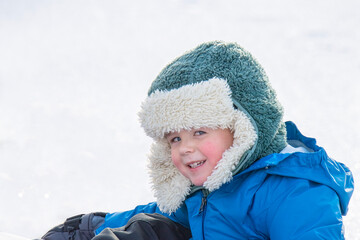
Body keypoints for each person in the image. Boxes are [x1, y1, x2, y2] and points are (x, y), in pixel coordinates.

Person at [43, 41, 354, 240]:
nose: (185, 147)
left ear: (243, 128)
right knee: (147, 229)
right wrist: (92, 225)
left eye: (199, 132)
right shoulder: (206, 192)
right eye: (175, 138)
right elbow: (162, 214)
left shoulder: (295, 191)